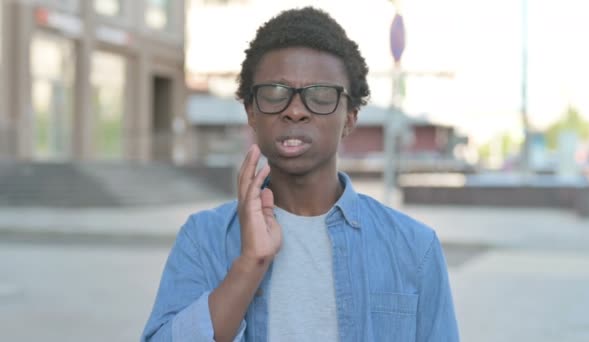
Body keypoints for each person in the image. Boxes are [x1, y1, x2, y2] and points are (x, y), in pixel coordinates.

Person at [142, 7, 459, 342]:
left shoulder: (414, 247)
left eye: (320, 95)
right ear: (251, 112)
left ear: (350, 117)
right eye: (275, 93)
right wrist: (249, 264)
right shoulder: (203, 238)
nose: (294, 111)